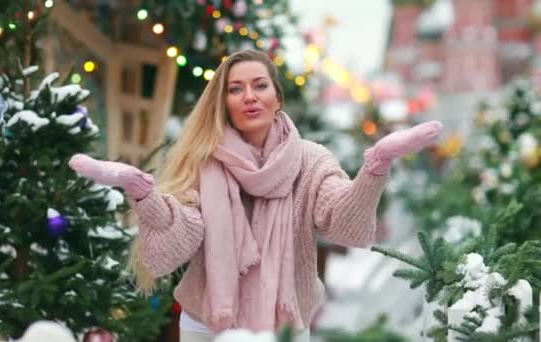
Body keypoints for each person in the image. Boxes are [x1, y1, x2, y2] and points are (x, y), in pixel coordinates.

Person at [68, 49, 442, 342]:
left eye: (259, 85)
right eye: (235, 89)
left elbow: (342, 221)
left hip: (284, 328)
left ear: (277, 97)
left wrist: (377, 162)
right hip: (206, 326)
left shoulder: (310, 161)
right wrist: (144, 194)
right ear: (224, 102)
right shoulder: (204, 161)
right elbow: (181, 232)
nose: (249, 96)